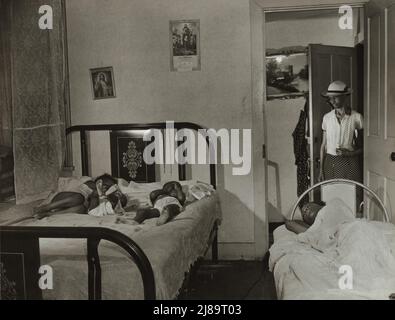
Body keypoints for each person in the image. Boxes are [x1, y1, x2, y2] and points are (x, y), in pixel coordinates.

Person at [319, 80, 363, 183]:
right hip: (330, 163)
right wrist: (321, 170)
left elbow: (364, 148)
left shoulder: (356, 117)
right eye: (330, 98)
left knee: (349, 194)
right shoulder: (327, 118)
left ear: (345, 96)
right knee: (331, 195)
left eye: (335, 97)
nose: (332, 101)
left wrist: (349, 154)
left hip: (349, 163)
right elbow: (323, 146)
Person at [33, 174, 127, 218]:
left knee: (81, 209)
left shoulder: (105, 199)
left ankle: (49, 215)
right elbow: (92, 193)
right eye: (105, 185)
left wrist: (119, 197)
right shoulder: (90, 183)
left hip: (71, 208)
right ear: (98, 182)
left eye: (109, 187)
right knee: (79, 198)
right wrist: (97, 192)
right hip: (62, 200)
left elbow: (119, 204)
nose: (105, 188)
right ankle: (45, 208)